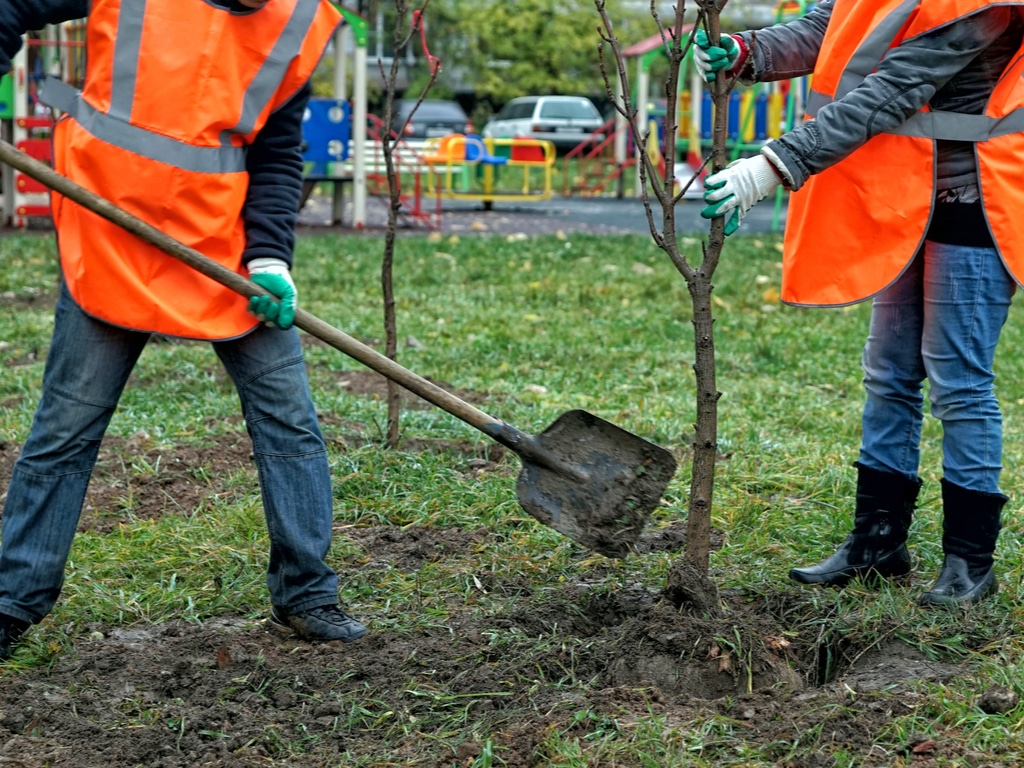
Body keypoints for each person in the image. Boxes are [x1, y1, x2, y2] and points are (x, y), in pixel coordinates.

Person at [0, 0, 368, 662]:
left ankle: (306, 592)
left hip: (221, 250)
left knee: (290, 420)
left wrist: (270, 259)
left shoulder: (297, 19)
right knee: (66, 427)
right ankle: (12, 598)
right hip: (110, 229)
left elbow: (277, 153)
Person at [695, 0, 1024, 605]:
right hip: (902, 194)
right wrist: (751, 52)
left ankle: (969, 563)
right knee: (889, 371)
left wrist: (776, 164)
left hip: (980, 197)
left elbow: (896, 86)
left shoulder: (983, 6)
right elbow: (832, 24)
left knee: (958, 378)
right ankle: (877, 542)